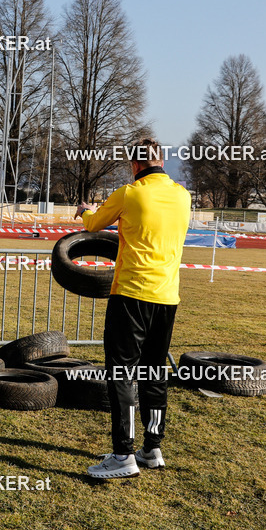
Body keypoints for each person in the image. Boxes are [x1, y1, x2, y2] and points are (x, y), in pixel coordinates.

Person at [75, 137, 191, 479]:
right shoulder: (183, 195)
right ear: (162, 162)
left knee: (122, 373)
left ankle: (123, 454)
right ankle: (152, 448)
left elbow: (93, 226)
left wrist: (84, 211)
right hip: (167, 297)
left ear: (135, 165)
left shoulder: (129, 193)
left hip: (131, 295)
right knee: (154, 372)